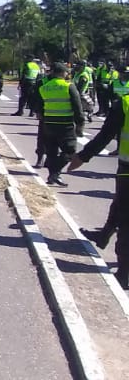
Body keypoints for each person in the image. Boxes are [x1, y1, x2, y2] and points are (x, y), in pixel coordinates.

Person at [70, 91, 129, 289]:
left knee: (126, 220)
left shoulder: (125, 103)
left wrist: (83, 157)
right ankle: (104, 235)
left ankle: (124, 274)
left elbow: (105, 135)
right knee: (120, 206)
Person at [37, 63, 84, 187]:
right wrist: (80, 124)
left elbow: (38, 104)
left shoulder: (44, 87)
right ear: (64, 73)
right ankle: (55, 172)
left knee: (52, 152)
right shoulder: (68, 86)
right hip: (65, 124)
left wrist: (42, 116)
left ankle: (53, 176)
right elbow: (77, 106)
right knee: (70, 150)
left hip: (48, 124)